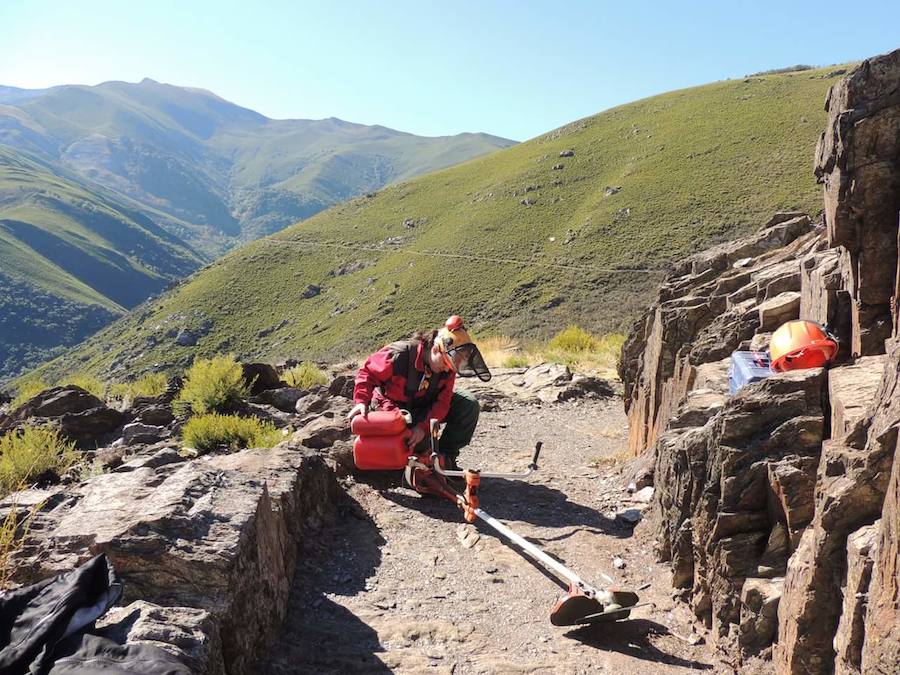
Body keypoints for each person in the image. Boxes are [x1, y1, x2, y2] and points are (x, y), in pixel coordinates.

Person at [347, 315, 491, 468]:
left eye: (451, 366)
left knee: (469, 405)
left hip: (422, 407)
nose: (447, 369)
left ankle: (445, 458)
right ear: (435, 349)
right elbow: (368, 373)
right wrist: (361, 401)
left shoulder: (447, 367)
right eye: (445, 363)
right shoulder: (400, 354)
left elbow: (443, 402)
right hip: (393, 408)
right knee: (414, 444)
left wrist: (422, 428)